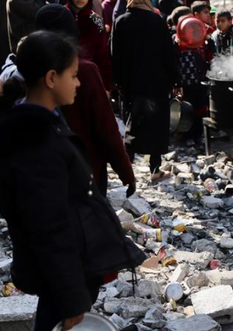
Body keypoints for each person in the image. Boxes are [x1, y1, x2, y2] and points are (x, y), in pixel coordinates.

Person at [0, 30, 146, 331]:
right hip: (62, 268)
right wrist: (72, 292)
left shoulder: (43, 122)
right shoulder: (36, 138)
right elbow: (48, 225)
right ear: (50, 78)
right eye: (73, 75)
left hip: (67, 265)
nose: (78, 83)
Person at [36, 4, 135, 196]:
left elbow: (104, 54)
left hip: (43, 173)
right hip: (84, 170)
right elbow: (106, 128)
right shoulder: (84, 71)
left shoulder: (27, 69)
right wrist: (126, 172)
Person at [112, 0, 180, 182]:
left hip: (131, 83)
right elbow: (168, 53)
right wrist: (176, 80)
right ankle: (155, 170)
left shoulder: (121, 21)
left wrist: (118, 83)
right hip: (156, 83)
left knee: (132, 122)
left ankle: (126, 168)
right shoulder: (156, 20)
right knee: (157, 125)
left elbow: (115, 55)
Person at [176, 15, 211, 146]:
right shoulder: (178, 46)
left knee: (201, 109)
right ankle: (187, 135)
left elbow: (210, 58)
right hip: (186, 83)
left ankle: (199, 134)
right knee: (187, 110)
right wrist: (176, 83)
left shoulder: (203, 44)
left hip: (200, 81)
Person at [66, 0, 114, 93]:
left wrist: (106, 87)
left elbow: (102, 56)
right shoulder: (61, 16)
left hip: (89, 84)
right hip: (63, 83)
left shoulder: (96, 21)